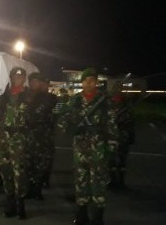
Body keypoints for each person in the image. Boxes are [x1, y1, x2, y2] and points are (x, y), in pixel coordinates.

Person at [63, 68, 118, 225]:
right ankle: (81, 215)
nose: (89, 83)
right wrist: (73, 126)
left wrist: (112, 147)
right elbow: (63, 121)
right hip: (80, 149)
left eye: (92, 80)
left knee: (98, 183)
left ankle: (98, 217)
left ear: (96, 83)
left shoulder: (104, 101)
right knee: (81, 182)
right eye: (86, 80)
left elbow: (112, 124)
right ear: (82, 82)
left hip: (98, 149)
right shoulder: (74, 101)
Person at [0, 67, 29, 219]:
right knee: (5, 169)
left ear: (24, 79)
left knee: (19, 172)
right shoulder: (4, 95)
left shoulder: (28, 95)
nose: (17, 79)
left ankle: (20, 203)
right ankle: (9, 200)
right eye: (15, 77)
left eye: (20, 77)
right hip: (2, 136)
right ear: (11, 78)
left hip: (19, 137)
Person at [25, 72, 57, 200]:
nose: (34, 83)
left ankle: (37, 189)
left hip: (43, 136)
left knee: (40, 164)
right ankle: (29, 188)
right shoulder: (25, 95)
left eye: (37, 81)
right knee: (28, 164)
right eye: (32, 81)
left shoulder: (48, 97)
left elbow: (40, 111)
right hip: (28, 135)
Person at [109, 87, 135, 189]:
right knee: (115, 161)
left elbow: (130, 124)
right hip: (118, 137)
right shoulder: (124, 108)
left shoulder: (124, 109)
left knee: (117, 161)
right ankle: (115, 180)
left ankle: (119, 181)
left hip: (119, 137)